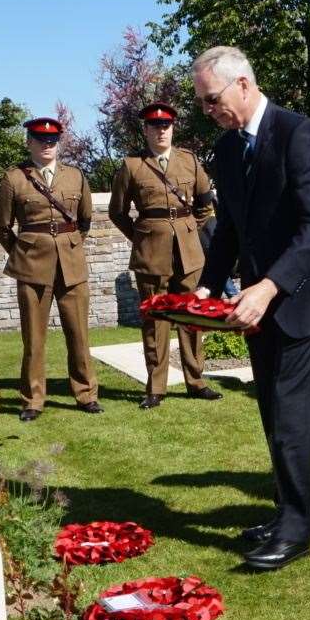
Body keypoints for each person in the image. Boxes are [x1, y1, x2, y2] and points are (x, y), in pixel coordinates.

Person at [191, 46, 310, 571]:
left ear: (243, 84)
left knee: (290, 414)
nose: (209, 111)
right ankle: (294, 506)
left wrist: (267, 287)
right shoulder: (226, 149)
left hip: (304, 294)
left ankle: (296, 529)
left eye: (212, 99)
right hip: (260, 299)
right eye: (202, 104)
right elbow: (230, 229)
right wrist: (205, 287)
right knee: (271, 407)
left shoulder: (299, 134)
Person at [109, 101, 222, 409]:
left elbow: (204, 204)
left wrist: (187, 232)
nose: (161, 131)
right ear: (145, 130)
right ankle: (155, 387)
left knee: (191, 316)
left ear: (172, 128)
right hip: (151, 254)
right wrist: (143, 237)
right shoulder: (132, 166)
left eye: (166, 126)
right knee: (155, 319)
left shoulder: (189, 161)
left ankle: (196, 381)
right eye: (154, 126)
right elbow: (117, 212)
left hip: (188, 252)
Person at [0, 117, 103, 422]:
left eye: (52, 141)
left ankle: (86, 394)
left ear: (59, 143)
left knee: (79, 334)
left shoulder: (76, 176)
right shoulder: (13, 179)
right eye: (40, 140)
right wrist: (24, 252)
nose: (47, 145)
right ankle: (33, 400)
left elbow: (85, 221)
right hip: (32, 267)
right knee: (34, 337)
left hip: (71, 265)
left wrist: (69, 246)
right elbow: (1, 227)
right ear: (29, 142)